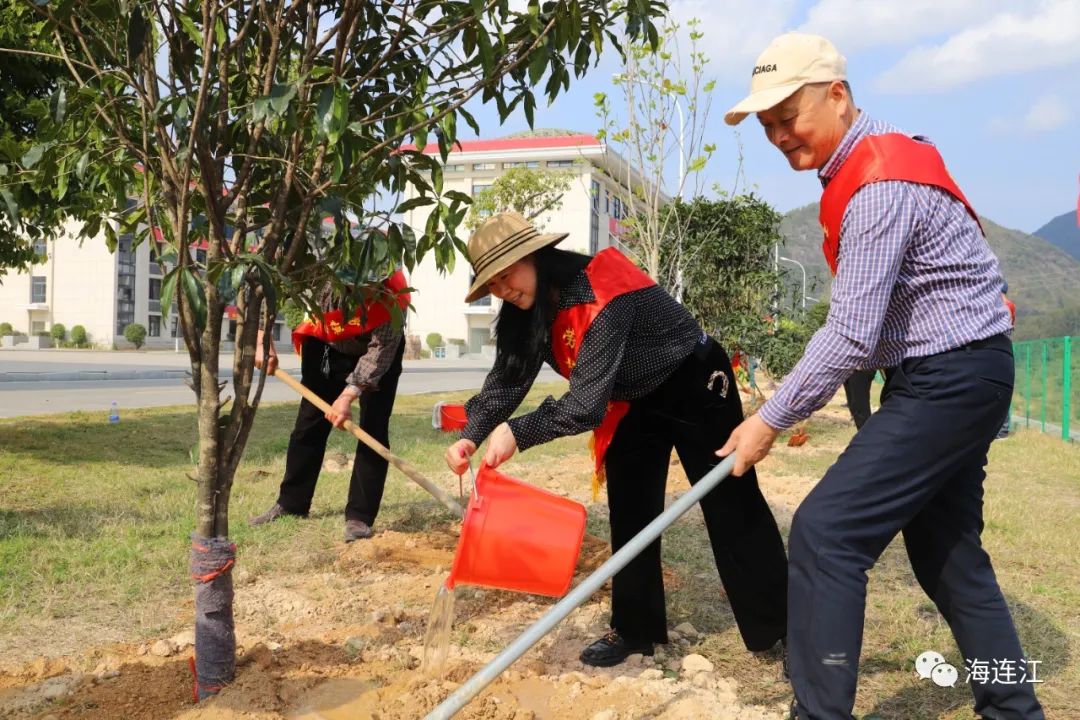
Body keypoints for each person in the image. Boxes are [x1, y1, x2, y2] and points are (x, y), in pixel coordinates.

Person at [719, 33, 1043, 719]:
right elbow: (873, 332)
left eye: (789, 116)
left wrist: (769, 418)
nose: (779, 135)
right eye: (768, 125)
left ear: (837, 95)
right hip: (960, 372)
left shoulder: (877, 183)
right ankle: (1015, 710)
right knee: (948, 556)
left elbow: (850, 333)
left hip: (950, 378)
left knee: (827, 533)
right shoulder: (869, 166)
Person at [443, 211, 789, 668]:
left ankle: (785, 629)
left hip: (694, 382)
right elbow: (506, 382)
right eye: (494, 285)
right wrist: (471, 435)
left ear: (536, 257)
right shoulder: (526, 313)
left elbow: (585, 405)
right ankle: (635, 629)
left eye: (508, 276)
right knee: (631, 511)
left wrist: (518, 432)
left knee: (731, 504)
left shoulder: (602, 289)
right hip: (630, 399)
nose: (505, 290)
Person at [251, 269, 408, 542]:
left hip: (376, 351)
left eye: (370, 286)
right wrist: (262, 337)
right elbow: (269, 288)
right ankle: (291, 504)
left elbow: (377, 356)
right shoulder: (316, 272)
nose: (362, 292)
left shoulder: (393, 299)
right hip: (325, 345)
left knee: (373, 432)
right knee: (308, 425)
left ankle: (359, 517)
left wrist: (347, 396)